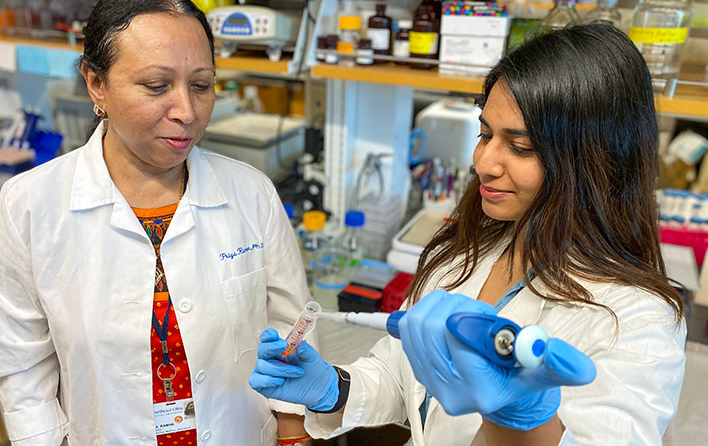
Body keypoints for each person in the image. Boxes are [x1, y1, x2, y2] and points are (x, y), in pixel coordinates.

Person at [249, 23, 686, 445]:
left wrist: (520, 414)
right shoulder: (473, 249)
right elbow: (403, 378)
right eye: (485, 133)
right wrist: (333, 388)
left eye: (521, 147)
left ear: (596, 160)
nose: (484, 163)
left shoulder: (637, 318)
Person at [0, 0, 313, 446]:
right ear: (97, 84)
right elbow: (20, 366)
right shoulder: (31, 205)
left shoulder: (250, 192)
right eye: (157, 86)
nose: (187, 112)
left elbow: (295, 333)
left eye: (202, 85)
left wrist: (294, 433)